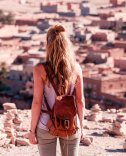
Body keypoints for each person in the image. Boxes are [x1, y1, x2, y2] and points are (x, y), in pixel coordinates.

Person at [29, 24, 85, 156]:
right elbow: (80, 100)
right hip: (70, 124)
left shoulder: (40, 69)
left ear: (48, 45)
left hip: (46, 124)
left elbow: (37, 102)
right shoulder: (76, 68)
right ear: (66, 45)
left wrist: (32, 131)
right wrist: (81, 126)